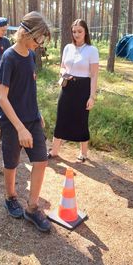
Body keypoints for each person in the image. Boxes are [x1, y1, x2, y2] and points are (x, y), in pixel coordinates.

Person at [0, 11, 51, 232]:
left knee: (41, 160)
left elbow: (30, 88)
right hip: (12, 122)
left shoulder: (30, 55)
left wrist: (38, 113)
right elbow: (1, 97)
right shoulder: (9, 57)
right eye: (39, 39)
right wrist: (19, 128)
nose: (40, 44)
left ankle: (32, 207)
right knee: (11, 163)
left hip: (32, 118)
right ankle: (10, 197)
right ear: (26, 34)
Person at [48, 19, 99, 162]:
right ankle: (55, 150)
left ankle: (83, 153)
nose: (76, 34)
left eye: (80, 31)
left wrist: (92, 97)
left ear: (86, 32)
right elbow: (62, 67)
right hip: (67, 87)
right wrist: (64, 73)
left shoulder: (92, 50)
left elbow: (94, 75)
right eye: (74, 31)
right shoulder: (67, 48)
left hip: (83, 89)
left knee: (81, 120)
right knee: (61, 117)